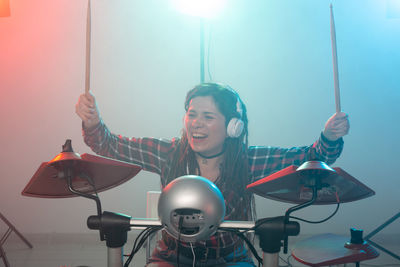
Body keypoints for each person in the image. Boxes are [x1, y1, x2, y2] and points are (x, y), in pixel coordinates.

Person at [76, 82, 349, 266]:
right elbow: (108, 144)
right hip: (171, 257)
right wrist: (92, 121)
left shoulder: (248, 160)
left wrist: (329, 135)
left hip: (231, 259)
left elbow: (313, 157)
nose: (196, 123)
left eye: (208, 116)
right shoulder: (168, 153)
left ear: (233, 126)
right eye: (191, 114)